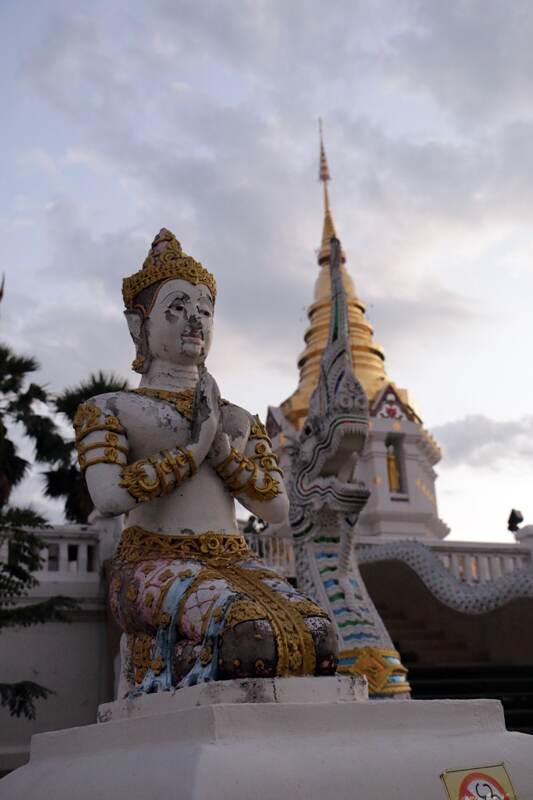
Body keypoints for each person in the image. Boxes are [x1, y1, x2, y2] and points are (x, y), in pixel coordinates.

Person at [74, 229, 337, 696]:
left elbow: (277, 511)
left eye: (204, 309)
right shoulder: (111, 409)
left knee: (318, 636)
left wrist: (221, 451)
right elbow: (109, 495)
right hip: (149, 565)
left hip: (235, 561)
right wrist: (194, 450)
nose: (194, 319)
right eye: (176, 307)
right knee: (249, 634)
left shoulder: (235, 419)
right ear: (139, 326)